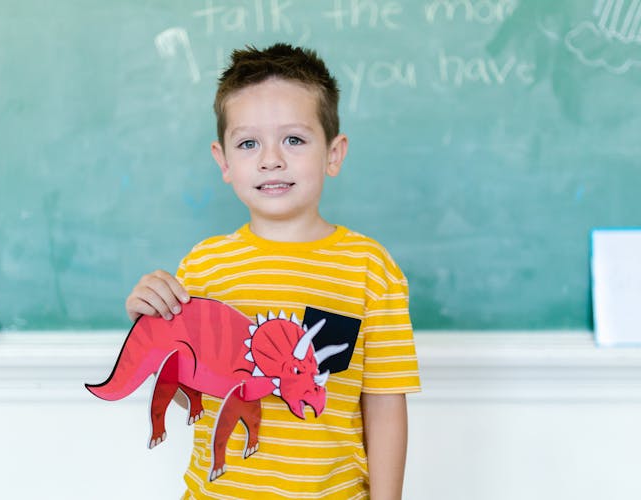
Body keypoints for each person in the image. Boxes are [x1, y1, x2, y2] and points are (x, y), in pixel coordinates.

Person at [125, 43, 420, 499]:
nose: (271, 159)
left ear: (334, 154)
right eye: (248, 143)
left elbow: (383, 403)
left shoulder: (370, 268)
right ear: (223, 161)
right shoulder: (202, 267)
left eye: (294, 139)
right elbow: (195, 396)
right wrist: (149, 331)